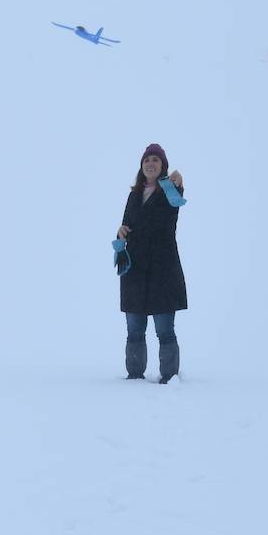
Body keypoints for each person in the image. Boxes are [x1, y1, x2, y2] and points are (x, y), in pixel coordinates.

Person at [115, 144, 187, 383]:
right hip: (135, 270)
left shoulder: (169, 190)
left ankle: (170, 378)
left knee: (164, 330)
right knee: (134, 330)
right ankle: (134, 376)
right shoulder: (133, 195)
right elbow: (126, 226)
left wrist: (176, 183)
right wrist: (120, 232)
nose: (150, 164)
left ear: (162, 166)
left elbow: (175, 205)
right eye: (147, 160)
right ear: (141, 166)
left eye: (156, 160)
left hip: (162, 270)